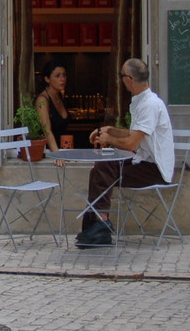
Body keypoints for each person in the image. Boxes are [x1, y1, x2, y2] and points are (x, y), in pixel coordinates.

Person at [76, 58, 175, 248]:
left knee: (104, 166)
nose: (120, 80)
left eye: (121, 76)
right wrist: (109, 130)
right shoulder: (143, 102)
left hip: (155, 169)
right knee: (102, 167)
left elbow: (130, 144)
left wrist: (107, 140)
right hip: (143, 162)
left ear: (129, 79)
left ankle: (100, 224)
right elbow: (133, 134)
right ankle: (97, 225)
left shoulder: (150, 105)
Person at [34, 60, 71, 155]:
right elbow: (47, 130)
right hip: (49, 152)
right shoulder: (42, 100)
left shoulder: (59, 96)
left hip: (64, 148)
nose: (62, 79)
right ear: (47, 79)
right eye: (57, 76)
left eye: (64, 75)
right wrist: (56, 154)